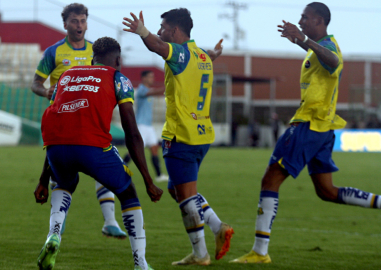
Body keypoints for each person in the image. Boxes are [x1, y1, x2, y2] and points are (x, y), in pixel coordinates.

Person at [230, 2, 381, 264]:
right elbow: (324, 58)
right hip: (322, 129)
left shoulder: (330, 46)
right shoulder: (317, 49)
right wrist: (301, 42)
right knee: (327, 191)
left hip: (309, 125)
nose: (300, 20)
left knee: (270, 180)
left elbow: (334, 60)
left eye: (305, 17)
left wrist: (304, 40)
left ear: (319, 21)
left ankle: (260, 251)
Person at [34, 36, 163, 270]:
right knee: (128, 193)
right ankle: (140, 263)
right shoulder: (118, 78)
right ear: (118, 60)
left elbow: (57, 122)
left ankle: (53, 235)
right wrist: (147, 179)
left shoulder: (66, 75)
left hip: (55, 146)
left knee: (64, 184)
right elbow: (132, 132)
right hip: (91, 147)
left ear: (93, 59)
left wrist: (43, 179)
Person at [123, 8, 234, 266]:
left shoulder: (181, 52)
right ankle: (218, 227)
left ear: (174, 30)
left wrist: (142, 30)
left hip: (181, 136)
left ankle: (200, 254)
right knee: (177, 189)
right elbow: (206, 58)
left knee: (185, 197)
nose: (160, 31)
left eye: (162, 27)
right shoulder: (202, 55)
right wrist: (215, 54)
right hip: (202, 135)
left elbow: (159, 47)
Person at [31, 3, 127, 239]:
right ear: (65, 24)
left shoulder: (97, 51)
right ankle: (59, 222)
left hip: (93, 119)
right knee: (60, 173)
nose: (79, 25)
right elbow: (35, 83)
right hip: (62, 121)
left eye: (83, 21)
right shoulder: (53, 53)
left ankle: (110, 222)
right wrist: (46, 92)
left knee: (102, 167)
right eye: (75, 21)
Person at [123, 70, 169, 182]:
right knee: (134, 151)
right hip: (141, 125)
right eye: (149, 77)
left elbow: (153, 92)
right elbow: (153, 93)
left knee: (154, 149)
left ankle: (159, 175)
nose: (152, 79)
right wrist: (169, 87)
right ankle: (119, 169)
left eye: (152, 77)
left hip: (148, 126)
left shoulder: (148, 90)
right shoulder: (141, 90)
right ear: (143, 78)